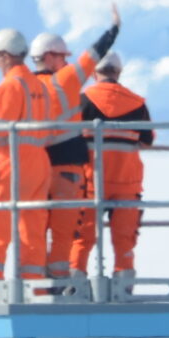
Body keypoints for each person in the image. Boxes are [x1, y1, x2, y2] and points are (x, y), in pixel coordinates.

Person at [32, 9, 121, 286]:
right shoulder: (66, 79)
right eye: (61, 56)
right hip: (67, 167)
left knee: (33, 227)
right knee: (63, 227)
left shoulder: (24, 85)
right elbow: (92, 55)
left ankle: (33, 280)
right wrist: (113, 30)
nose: (65, 61)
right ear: (49, 56)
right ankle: (58, 281)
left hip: (33, 168)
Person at [0, 28, 56, 294]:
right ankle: (35, 290)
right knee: (31, 230)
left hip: (11, 164)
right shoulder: (38, 86)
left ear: (6, 56)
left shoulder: (10, 85)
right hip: (39, 165)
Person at [71, 50, 153, 282]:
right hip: (127, 183)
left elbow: (68, 139)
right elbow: (147, 141)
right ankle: (124, 286)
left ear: (94, 73)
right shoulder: (138, 104)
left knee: (80, 238)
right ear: (118, 72)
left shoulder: (81, 102)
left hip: (89, 183)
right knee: (124, 240)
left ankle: (74, 285)